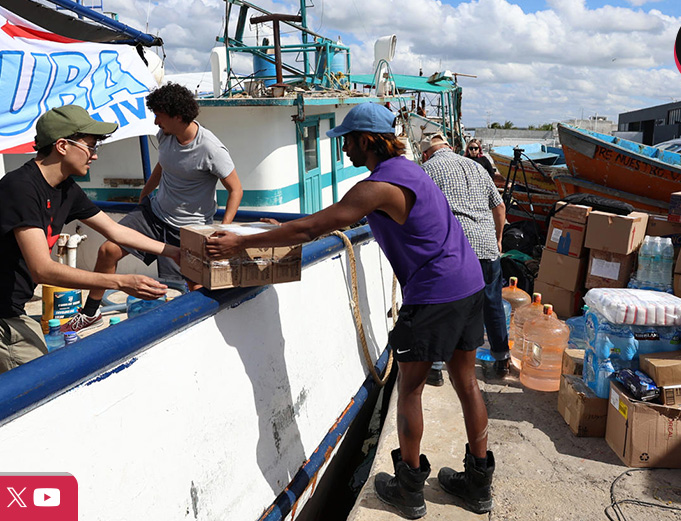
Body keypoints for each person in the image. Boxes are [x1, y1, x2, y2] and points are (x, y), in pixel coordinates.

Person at [206, 103, 495, 518]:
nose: (343, 151)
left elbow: (310, 229)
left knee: (411, 387)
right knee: (467, 382)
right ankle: (478, 484)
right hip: (467, 280)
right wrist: (278, 227)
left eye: (346, 142)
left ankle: (409, 489)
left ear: (365, 140)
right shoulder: (411, 170)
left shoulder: (375, 186)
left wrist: (240, 243)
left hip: (435, 291)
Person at [0, 104, 177, 393]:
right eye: (90, 146)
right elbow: (42, 269)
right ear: (63, 145)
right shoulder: (20, 188)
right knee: (41, 392)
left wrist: (175, 251)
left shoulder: (66, 189)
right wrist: (120, 281)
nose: (95, 154)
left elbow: (116, 231)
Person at [67, 82, 242, 332]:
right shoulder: (166, 135)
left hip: (188, 229)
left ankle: (204, 332)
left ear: (177, 116)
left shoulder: (211, 149)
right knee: (108, 251)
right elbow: (163, 165)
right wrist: (145, 194)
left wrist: (223, 229)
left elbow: (236, 189)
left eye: (159, 115)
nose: (156, 121)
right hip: (153, 214)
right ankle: (90, 314)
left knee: (188, 289)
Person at [419, 133, 510, 382]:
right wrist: (498, 239)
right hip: (487, 247)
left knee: (444, 305)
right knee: (492, 305)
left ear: (426, 153)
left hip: (454, 250)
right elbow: (499, 206)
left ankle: (436, 368)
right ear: (450, 147)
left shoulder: (427, 169)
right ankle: (502, 360)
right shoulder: (477, 166)